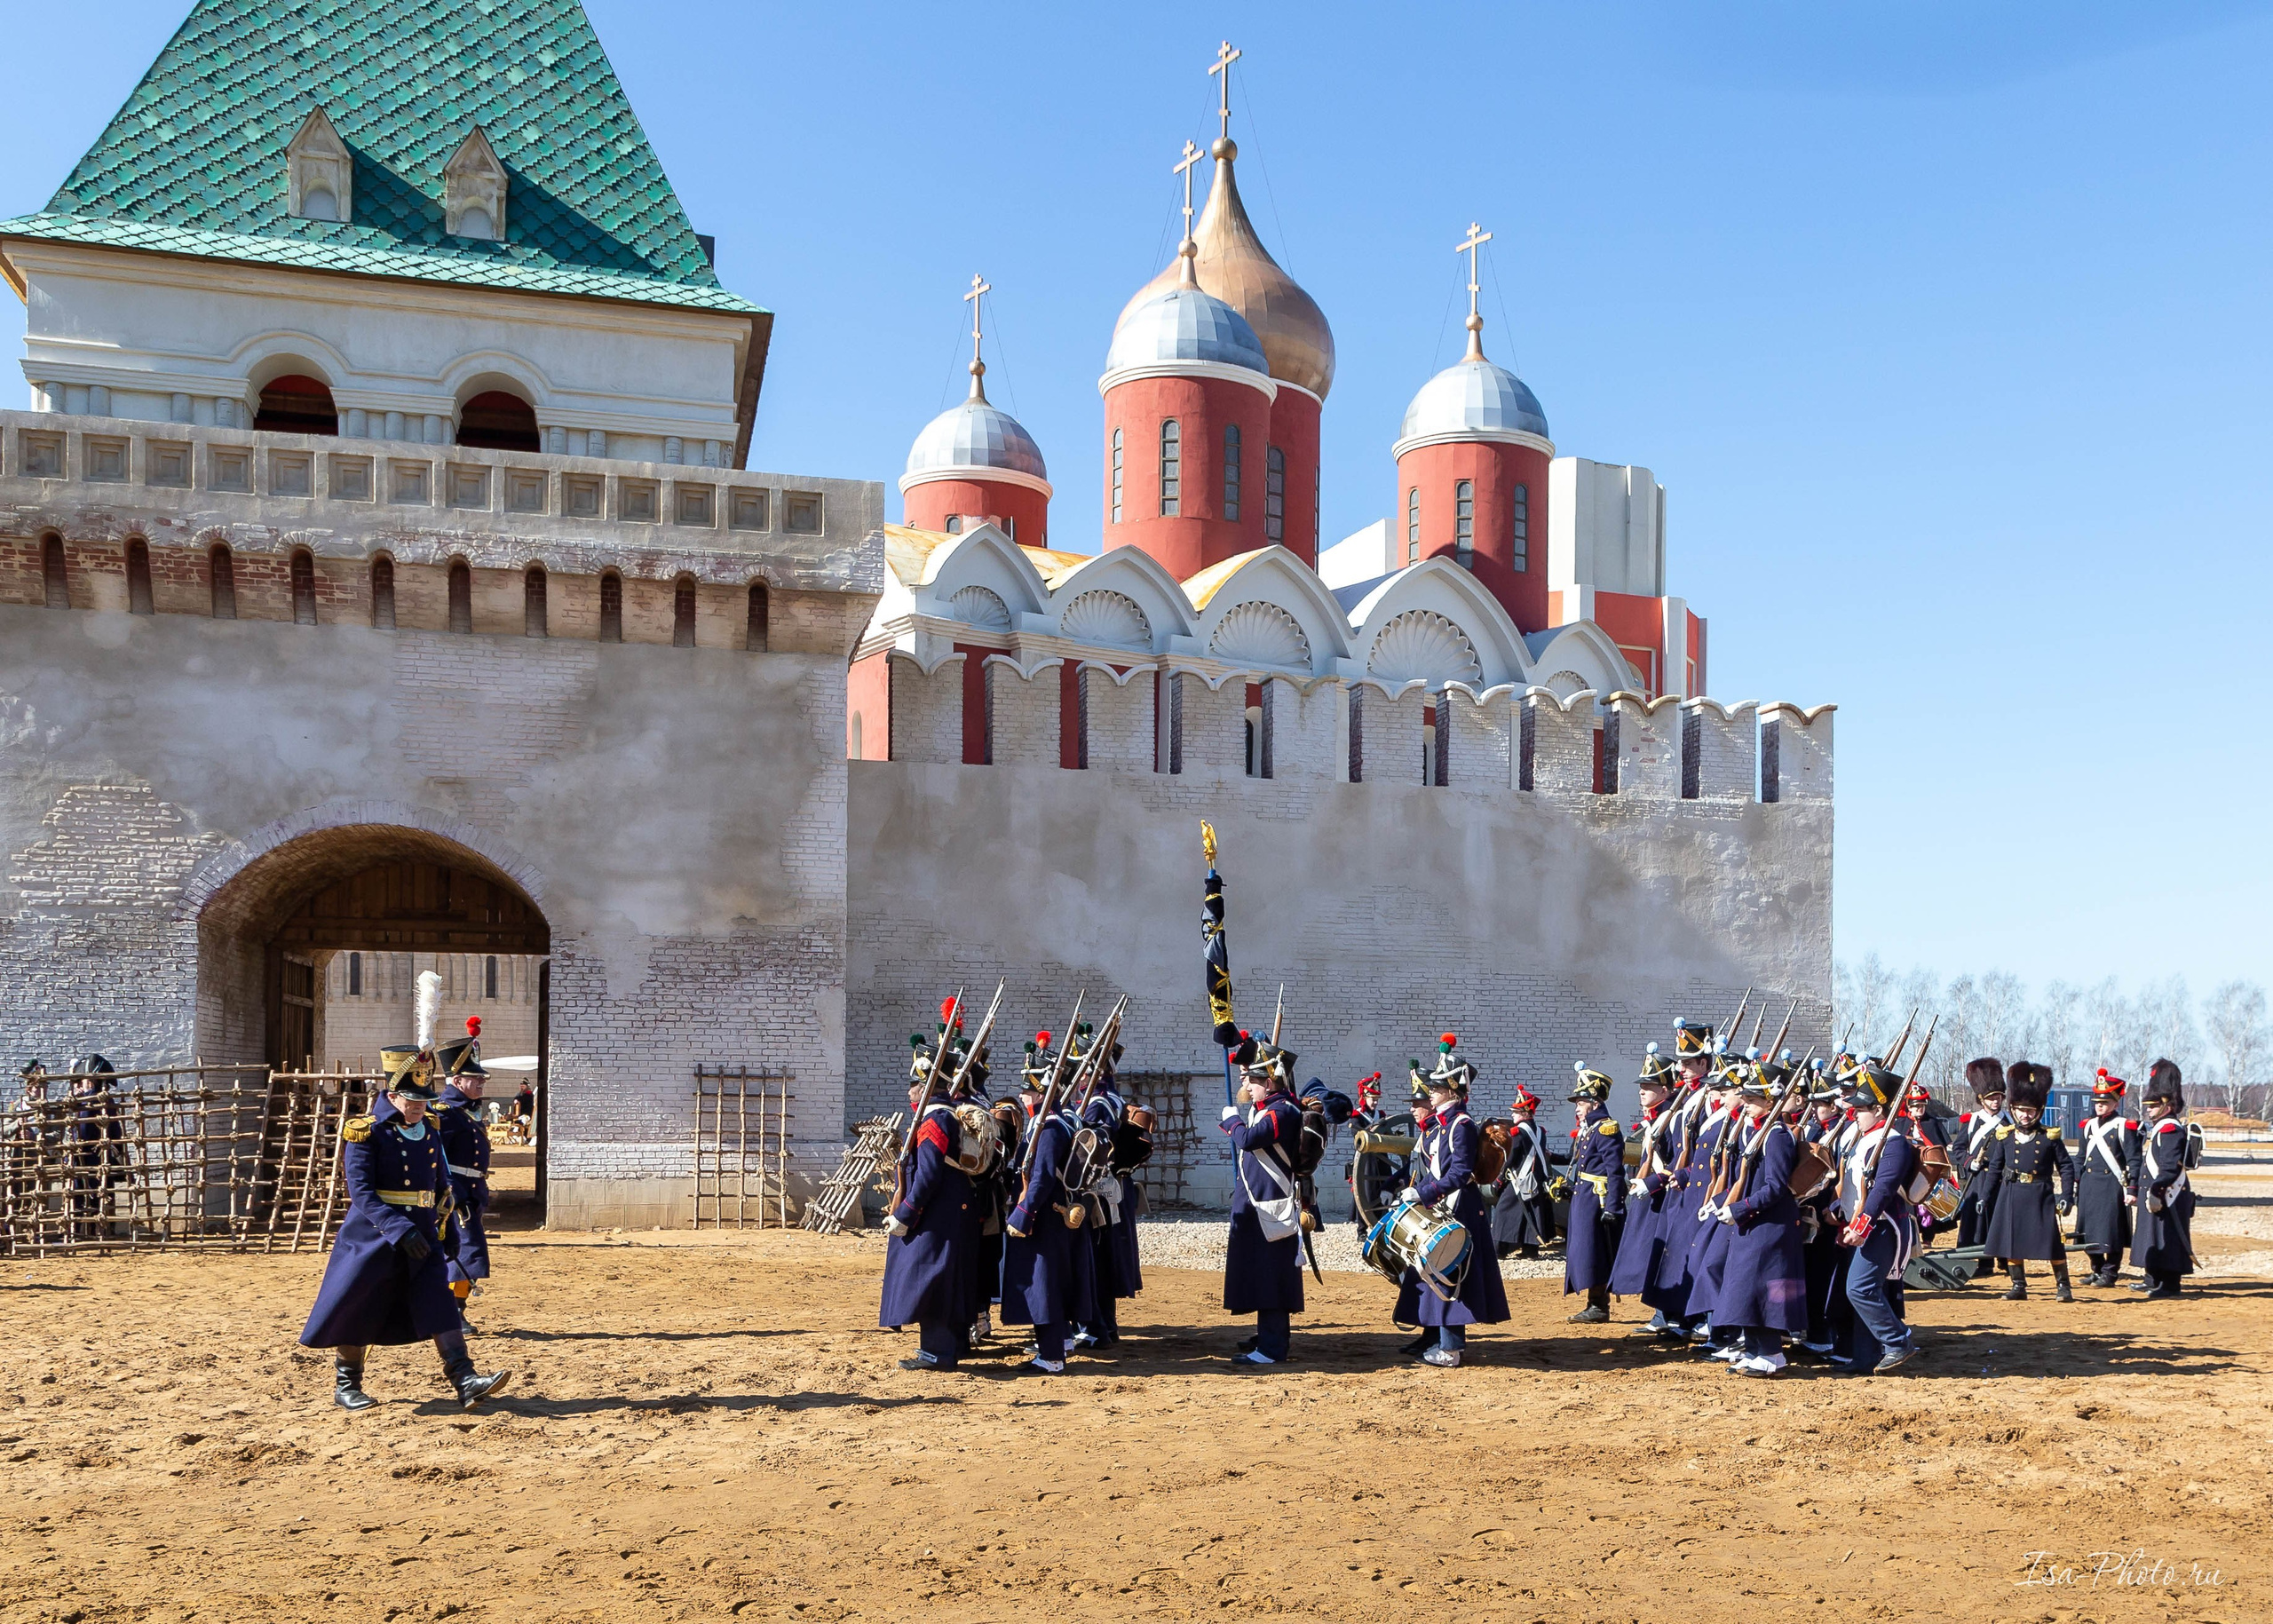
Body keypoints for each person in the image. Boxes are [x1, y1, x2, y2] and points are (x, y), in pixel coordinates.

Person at [298, 973, 512, 1412]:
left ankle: (465, 1379)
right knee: (359, 1304)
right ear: (392, 1094)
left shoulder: (428, 1127)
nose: (418, 1106)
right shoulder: (365, 1133)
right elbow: (361, 1193)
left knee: (439, 1301)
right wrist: (399, 1229)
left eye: (423, 1099)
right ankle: (347, 1383)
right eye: (411, 1100)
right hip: (375, 1234)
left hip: (423, 1231)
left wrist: (445, 1225)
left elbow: (440, 1181)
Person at [1390, 1036, 1508, 1368]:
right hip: (1444, 1204)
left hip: (1460, 1207)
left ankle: (1451, 1349)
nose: (1431, 1092)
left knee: (1450, 1275)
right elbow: (1437, 1171)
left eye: (1438, 1087)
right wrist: (1415, 1195)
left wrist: (1425, 1194)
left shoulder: (1462, 1125)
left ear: (1453, 1092)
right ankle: (1433, 1336)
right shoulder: (1443, 1125)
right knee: (1431, 1271)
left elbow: (1459, 1172)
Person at [881, 1004, 977, 1372]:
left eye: (914, 1084)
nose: (910, 1091)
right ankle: (947, 1348)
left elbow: (929, 1173)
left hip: (936, 1212)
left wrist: (907, 1212)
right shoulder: (942, 1114)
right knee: (942, 1278)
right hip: (948, 1210)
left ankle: (938, 1351)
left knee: (931, 1278)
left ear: (926, 1086)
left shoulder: (935, 1118)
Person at [1698, 1065, 1807, 1376]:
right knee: (1744, 1287)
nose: (1745, 1103)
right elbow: (1741, 1179)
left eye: (1753, 1099)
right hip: (1753, 1222)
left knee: (1762, 1289)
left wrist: (1740, 1209)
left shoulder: (1776, 1136)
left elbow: (1775, 1187)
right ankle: (1754, 1349)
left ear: (1770, 1101)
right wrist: (1721, 1202)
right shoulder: (1755, 1132)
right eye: (1744, 1098)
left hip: (1770, 1224)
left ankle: (1772, 1354)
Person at [1219, 1035, 1306, 1368]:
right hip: (1259, 1205)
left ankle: (1272, 1347)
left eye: (1253, 1081)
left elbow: (1248, 1139)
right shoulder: (1268, 1109)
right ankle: (1267, 1338)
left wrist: (1232, 1120)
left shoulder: (1281, 1112)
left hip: (1271, 1205)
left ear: (1268, 1083)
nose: (1247, 1086)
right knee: (1261, 1273)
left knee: (1272, 1278)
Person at [1003, 1030, 1086, 1376]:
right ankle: (1057, 1345)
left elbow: (1043, 1178)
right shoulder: (1048, 1123)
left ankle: (1051, 1356)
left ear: (1041, 1093)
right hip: (1046, 1216)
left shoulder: (1050, 1128)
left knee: (1044, 1287)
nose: (1023, 1096)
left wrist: (1023, 1214)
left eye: (1028, 1090)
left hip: (1044, 1218)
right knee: (1046, 1285)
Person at [1831, 1064, 1921, 1374]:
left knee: (1860, 1289)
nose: (1854, 1113)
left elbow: (1883, 1189)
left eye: (1861, 1109)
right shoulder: (1865, 1139)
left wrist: (1861, 1225)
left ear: (1879, 1109)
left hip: (1880, 1226)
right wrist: (1837, 1211)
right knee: (1862, 1291)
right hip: (1861, 1224)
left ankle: (1897, 1341)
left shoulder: (1893, 1142)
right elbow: (1854, 1185)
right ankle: (1865, 1356)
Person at [1649, 1051, 1739, 1346]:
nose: (1716, 1094)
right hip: (1698, 1194)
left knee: (1711, 1263)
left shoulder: (1735, 1121)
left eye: (1723, 1090)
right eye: (1715, 1088)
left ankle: (1717, 1329)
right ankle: (1695, 1320)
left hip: (1718, 1197)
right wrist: (1683, 1174)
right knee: (1694, 1258)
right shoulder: (1715, 1114)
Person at [1980, 1062, 2078, 1302]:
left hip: (2040, 1194)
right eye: (2021, 1110)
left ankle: (2063, 1286)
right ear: (2013, 1110)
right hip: (2012, 1193)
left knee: (2052, 1242)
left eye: (2030, 1111)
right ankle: (2018, 1285)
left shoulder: (2049, 1137)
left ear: (2039, 1111)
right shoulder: (2005, 1137)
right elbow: (1995, 1169)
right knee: (2012, 1241)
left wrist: (2067, 1196)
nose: (2025, 1115)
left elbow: (2066, 1167)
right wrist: (1985, 1196)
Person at [1073, 1038, 1144, 1352]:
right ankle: (1106, 1325)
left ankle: (1095, 1327)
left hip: (1098, 1192)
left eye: (1083, 1070)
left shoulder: (1099, 1103)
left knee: (1096, 1261)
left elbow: (1090, 1150)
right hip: (1109, 1189)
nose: (1078, 1076)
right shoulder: (1108, 1099)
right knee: (1102, 1260)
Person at [1610, 1045, 1681, 1336]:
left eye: (1649, 1086)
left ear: (1665, 1090)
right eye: (1642, 1085)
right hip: (1653, 1195)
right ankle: (1662, 1314)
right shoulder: (1656, 1117)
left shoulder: (1672, 1118)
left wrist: (1651, 1183)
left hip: (1666, 1195)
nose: (1642, 1091)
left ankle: (1668, 1315)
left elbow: (1679, 1161)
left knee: (1665, 1255)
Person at [432, 1018, 493, 1329]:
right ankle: (452, 1313)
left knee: (469, 1252)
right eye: (475, 1079)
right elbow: (436, 1159)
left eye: (481, 1078)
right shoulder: (445, 1113)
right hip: (456, 1194)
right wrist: (451, 1192)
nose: (481, 1083)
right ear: (457, 1081)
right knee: (463, 1253)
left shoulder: (466, 1111)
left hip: (472, 1192)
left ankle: (455, 1310)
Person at [1560, 1062, 1626, 1323]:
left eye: (1581, 1102)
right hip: (1585, 1196)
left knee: (1595, 1252)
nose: (1577, 1108)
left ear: (1595, 1103)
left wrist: (1613, 1207)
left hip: (1598, 1200)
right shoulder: (1589, 1129)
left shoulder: (1607, 1128)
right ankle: (1594, 1303)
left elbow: (1615, 1172)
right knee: (1585, 1251)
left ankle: (1599, 1305)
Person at [1794, 1068, 1853, 1356]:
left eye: (1819, 1104)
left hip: (1829, 1214)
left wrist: (1834, 1207)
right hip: (1811, 1210)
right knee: (1810, 1273)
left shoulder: (1843, 1133)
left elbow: (1842, 1177)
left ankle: (1822, 1335)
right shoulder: (1816, 1129)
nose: (1814, 1109)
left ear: (1833, 1105)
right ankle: (1810, 1329)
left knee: (1823, 1277)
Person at [2128, 1060, 2195, 1299]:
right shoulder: (2160, 1127)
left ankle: (2170, 1284)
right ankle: (2152, 1279)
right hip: (2156, 1191)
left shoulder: (2170, 1129)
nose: (2149, 1110)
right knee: (2152, 1236)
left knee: (2169, 1238)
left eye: (2154, 1106)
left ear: (2167, 1105)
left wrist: (2157, 1190)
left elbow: (2169, 1166)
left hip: (2167, 1192)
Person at [2075, 1069, 2141, 1287]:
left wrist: (2132, 1189)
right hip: (2089, 1185)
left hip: (2111, 1185)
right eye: (2097, 1102)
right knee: (2088, 1231)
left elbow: (2134, 1160)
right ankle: (2096, 1269)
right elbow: (2080, 1157)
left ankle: (2110, 1273)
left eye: (2105, 1102)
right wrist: (2074, 1180)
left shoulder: (2124, 1126)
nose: (2100, 1106)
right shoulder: (2087, 1126)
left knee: (2112, 1233)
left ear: (2115, 1103)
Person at [67, 1055, 128, 1242]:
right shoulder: (83, 1100)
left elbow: (87, 1129)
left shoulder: (97, 1101)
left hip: (94, 1154)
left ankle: (94, 1231)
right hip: (85, 1155)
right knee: (80, 1194)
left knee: (96, 1194)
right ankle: (81, 1231)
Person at [1955, 1058, 2009, 1272]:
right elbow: (1958, 1150)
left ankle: (2005, 1260)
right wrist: (1970, 1162)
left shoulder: (2009, 1122)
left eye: (1998, 1097)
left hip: (2001, 1179)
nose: (1996, 1101)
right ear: (1981, 1099)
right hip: (1977, 1179)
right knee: (1975, 1222)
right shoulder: (1971, 1121)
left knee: (2000, 1219)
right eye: (1991, 1098)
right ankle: (1979, 1263)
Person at [1490, 1086, 1555, 1258]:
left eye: (1516, 1112)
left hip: (1521, 1179)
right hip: (1536, 1180)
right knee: (1530, 1212)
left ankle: (1499, 1249)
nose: (1513, 1115)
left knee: (1503, 1210)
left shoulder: (1518, 1132)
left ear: (1525, 1114)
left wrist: (1499, 1179)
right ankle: (1530, 1250)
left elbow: (1512, 1158)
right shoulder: (1540, 1132)